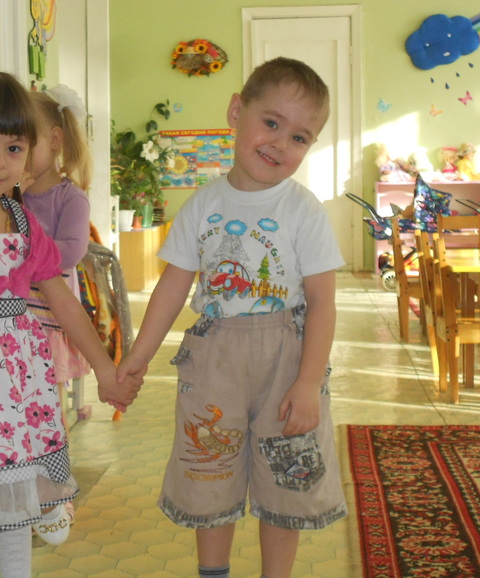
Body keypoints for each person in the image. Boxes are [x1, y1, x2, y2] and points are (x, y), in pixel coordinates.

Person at [117, 57, 348, 578]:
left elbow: (323, 302)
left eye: (299, 137)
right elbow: (173, 286)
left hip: (287, 360)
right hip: (214, 357)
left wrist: (309, 383)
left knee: (286, 477)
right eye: (271, 123)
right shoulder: (202, 205)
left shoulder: (303, 209)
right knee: (209, 469)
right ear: (237, 112)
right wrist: (138, 356)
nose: (279, 144)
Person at [0, 70, 141, 577]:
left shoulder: (22, 221)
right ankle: (43, 497)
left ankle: (41, 503)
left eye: (13, 149)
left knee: (10, 484)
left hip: (17, 376)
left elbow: (64, 303)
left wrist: (105, 370)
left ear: (31, 152)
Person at [22, 85, 93, 523]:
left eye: (22, 142)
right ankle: (22, 494)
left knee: (47, 414)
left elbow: (70, 252)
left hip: (48, 322)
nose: (13, 153)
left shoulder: (71, 198)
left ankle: (55, 495)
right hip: (10, 324)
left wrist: (22, 250)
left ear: (53, 140)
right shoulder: (8, 194)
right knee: (15, 413)